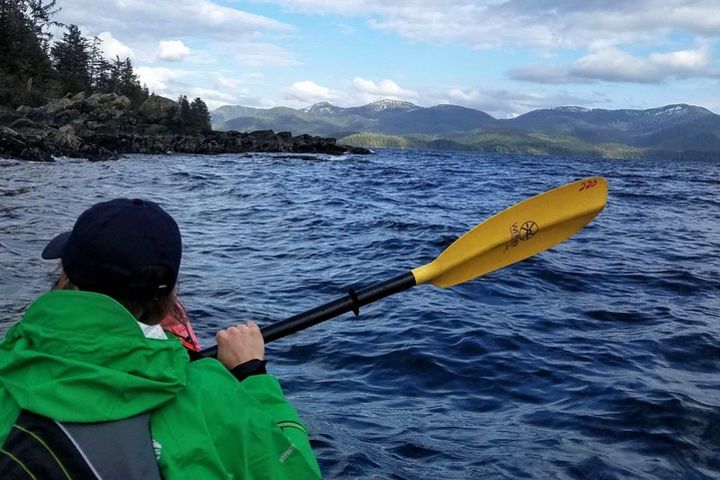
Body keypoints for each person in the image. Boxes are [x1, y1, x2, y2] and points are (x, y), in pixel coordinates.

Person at [0, 198, 321, 479]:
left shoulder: (7, 364)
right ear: (168, 299)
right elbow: (297, 471)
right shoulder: (210, 394)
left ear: (67, 279)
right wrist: (253, 377)